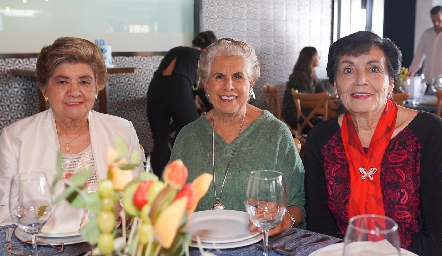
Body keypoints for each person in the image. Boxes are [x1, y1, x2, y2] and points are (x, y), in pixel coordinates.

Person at [304, 31, 442, 255]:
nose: (361, 80)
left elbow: (438, 237)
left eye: (374, 69)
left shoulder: (430, 133)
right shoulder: (321, 138)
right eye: (348, 70)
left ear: (390, 83)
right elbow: (319, 224)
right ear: (335, 85)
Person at [0, 37, 143, 232]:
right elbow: (5, 214)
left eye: (84, 82)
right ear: (45, 89)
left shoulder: (122, 131)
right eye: (62, 82)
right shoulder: (15, 138)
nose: (74, 91)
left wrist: (126, 211)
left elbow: (139, 200)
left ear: (96, 87)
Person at [170, 38, 305, 235]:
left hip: (259, 247)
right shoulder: (187, 136)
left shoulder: (276, 134)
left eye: (238, 76)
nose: (228, 86)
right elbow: (170, 201)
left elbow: (299, 204)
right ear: (206, 85)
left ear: (251, 84)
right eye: (219, 77)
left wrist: (284, 220)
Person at [146, 31, 217, 177]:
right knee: (190, 136)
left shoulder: (176, 50)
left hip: (154, 89)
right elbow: (204, 90)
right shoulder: (204, 58)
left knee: (160, 141)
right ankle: (187, 181)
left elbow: (170, 80)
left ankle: (160, 185)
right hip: (178, 90)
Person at [282, 46, 344, 130]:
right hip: (295, 115)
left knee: (339, 106)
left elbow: (322, 91)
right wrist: (324, 104)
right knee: (334, 111)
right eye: (317, 55)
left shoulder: (312, 75)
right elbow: (303, 101)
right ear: (311, 58)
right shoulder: (299, 76)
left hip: (305, 111)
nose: (319, 57)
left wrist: (330, 99)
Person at [409, 6, 442, 81]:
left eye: (439, 20)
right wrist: (409, 75)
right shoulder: (426, 34)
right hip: (427, 80)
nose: (436, 23)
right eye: (433, 21)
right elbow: (418, 57)